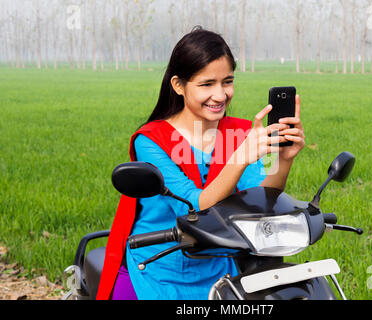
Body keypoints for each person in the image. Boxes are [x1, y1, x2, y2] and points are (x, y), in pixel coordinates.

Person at [97, 27, 305, 300]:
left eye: (227, 81)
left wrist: (282, 161)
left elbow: (263, 199)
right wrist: (240, 157)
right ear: (178, 85)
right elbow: (195, 206)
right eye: (207, 84)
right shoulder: (151, 141)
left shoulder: (239, 133)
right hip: (159, 263)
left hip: (219, 263)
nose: (220, 95)